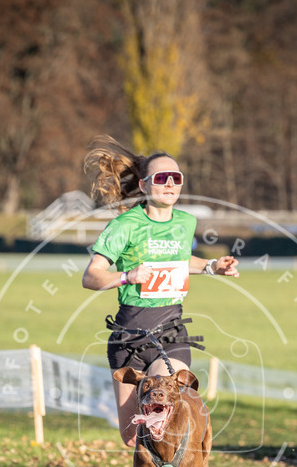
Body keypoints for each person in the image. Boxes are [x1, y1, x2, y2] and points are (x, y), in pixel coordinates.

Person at [82, 135, 239, 448]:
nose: (170, 184)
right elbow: (91, 276)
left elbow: (180, 261)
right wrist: (127, 276)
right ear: (143, 186)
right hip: (129, 335)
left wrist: (211, 267)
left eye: (176, 178)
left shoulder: (185, 222)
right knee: (132, 436)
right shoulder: (125, 225)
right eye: (161, 178)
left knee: (169, 412)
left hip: (171, 331)